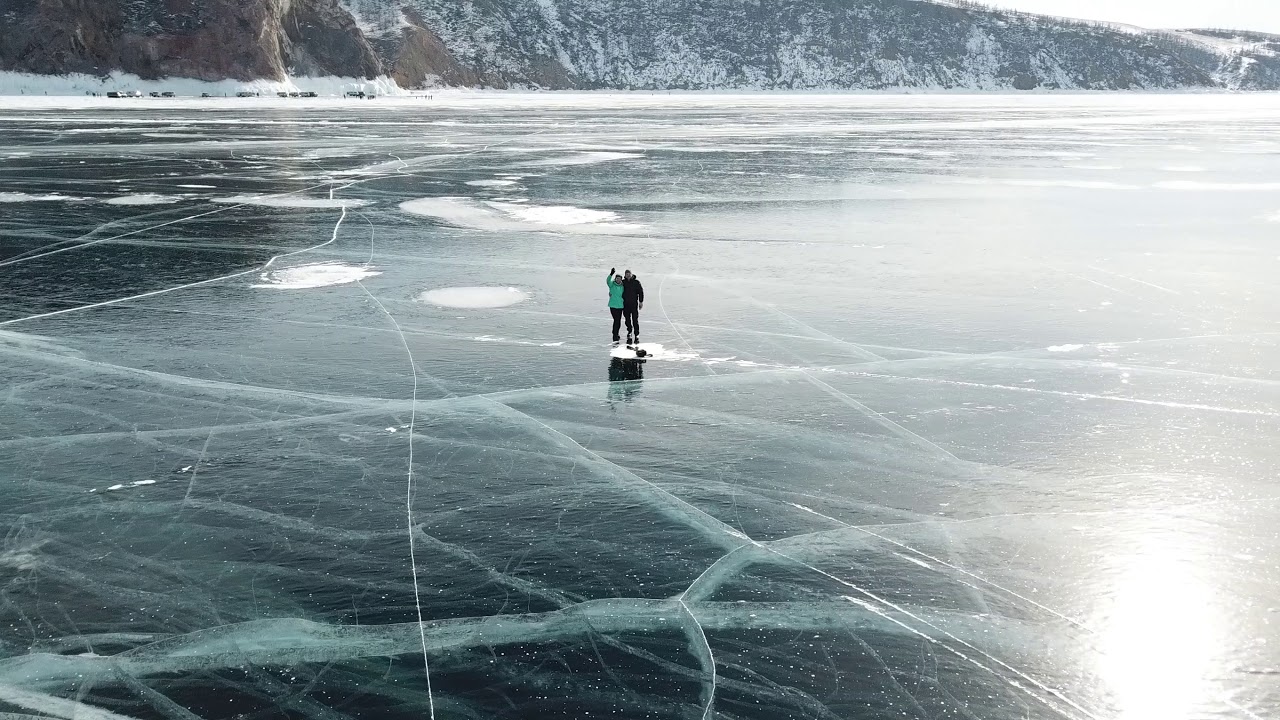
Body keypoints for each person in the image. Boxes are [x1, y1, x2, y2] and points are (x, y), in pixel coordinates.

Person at [621, 269, 644, 345]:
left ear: (631, 274)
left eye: (629, 274)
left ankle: (636, 334)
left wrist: (641, 302)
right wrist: (611, 293)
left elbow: (640, 292)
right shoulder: (623, 282)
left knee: (635, 319)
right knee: (627, 319)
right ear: (625, 275)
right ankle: (629, 331)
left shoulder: (636, 282)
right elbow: (616, 288)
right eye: (626, 274)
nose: (628, 275)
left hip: (634, 304)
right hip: (625, 304)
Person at [607, 268, 625, 343]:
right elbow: (608, 281)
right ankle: (615, 334)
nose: (618, 280)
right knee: (616, 320)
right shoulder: (612, 285)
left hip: (620, 306)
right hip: (613, 305)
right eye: (617, 279)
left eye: (619, 279)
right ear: (615, 279)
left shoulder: (623, 286)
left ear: (621, 280)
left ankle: (616, 333)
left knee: (618, 321)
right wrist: (611, 274)